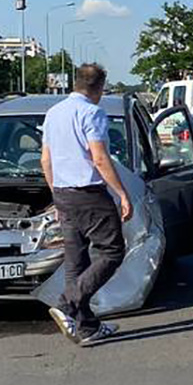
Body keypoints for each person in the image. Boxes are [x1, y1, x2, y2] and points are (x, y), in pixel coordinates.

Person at [40, 63, 134, 347]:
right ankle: (68, 304)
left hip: (63, 193)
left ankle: (87, 327)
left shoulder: (54, 113)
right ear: (100, 88)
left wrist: (56, 192)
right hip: (89, 194)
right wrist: (121, 193)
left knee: (76, 260)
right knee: (113, 251)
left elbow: (45, 159)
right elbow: (99, 158)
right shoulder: (92, 113)